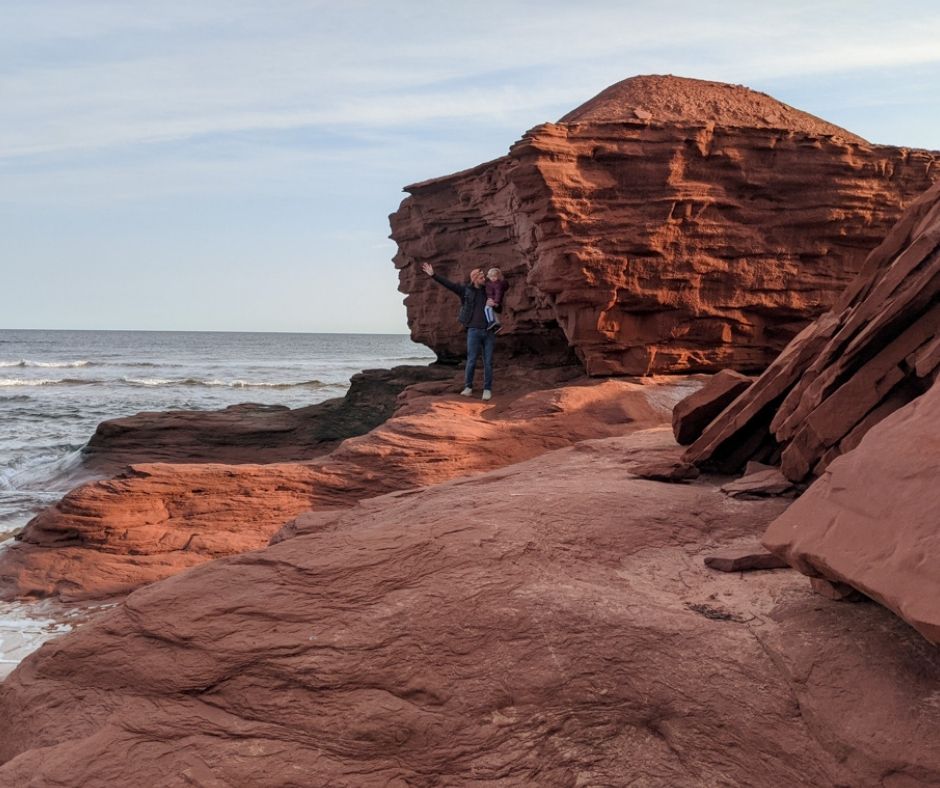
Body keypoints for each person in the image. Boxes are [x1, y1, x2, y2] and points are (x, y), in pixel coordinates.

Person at [421, 261, 496, 400]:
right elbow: (449, 285)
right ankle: (468, 387)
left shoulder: (489, 291)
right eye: (481, 277)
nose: (483, 279)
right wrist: (433, 275)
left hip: (489, 331)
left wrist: (494, 304)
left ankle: (487, 389)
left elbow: (499, 307)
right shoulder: (465, 291)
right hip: (473, 331)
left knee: (488, 362)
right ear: (474, 278)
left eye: (484, 277)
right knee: (471, 360)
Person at [484, 267, 508, 333]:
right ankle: (495, 324)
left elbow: (498, 293)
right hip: (491, 299)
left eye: (495, 276)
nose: (493, 278)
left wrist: (496, 302)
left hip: (494, 300)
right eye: (491, 277)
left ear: (498, 277)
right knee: (490, 310)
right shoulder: (490, 283)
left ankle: (492, 322)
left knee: (488, 308)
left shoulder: (498, 285)